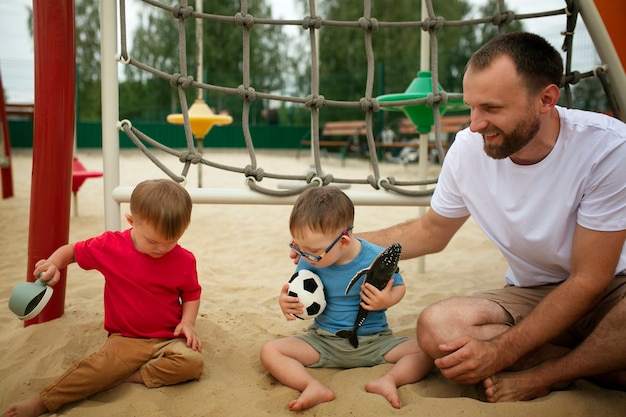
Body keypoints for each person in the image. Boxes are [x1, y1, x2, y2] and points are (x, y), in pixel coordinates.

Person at [346, 31, 626, 403]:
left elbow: (589, 280)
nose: (475, 124)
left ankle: (549, 372)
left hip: (612, 289)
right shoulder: (468, 150)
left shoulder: (607, 148)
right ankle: (599, 362)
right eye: (470, 107)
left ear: (546, 99)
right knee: (437, 328)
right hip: (533, 292)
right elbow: (431, 232)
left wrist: (502, 352)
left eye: (491, 109)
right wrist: (344, 245)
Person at [8, 179, 204, 417]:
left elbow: (191, 293)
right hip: (126, 339)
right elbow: (72, 251)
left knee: (193, 364)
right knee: (95, 369)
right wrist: (53, 264)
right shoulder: (111, 246)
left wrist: (187, 322)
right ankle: (41, 402)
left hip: (169, 337)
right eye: (152, 241)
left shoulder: (184, 260)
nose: (161, 249)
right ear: (131, 221)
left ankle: (131, 377)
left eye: (170, 241)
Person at [261, 187, 431, 411]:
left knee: (428, 351)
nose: (304, 257)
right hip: (324, 342)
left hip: (375, 342)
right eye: (298, 247)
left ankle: (389, 381)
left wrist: (385, 301)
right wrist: (287, 304)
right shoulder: (308, 259)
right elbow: (299, 292)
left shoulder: (375, 257)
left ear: (343, 240)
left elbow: (398, 287)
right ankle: (311, 386)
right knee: (270, 351)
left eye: (313, 251)